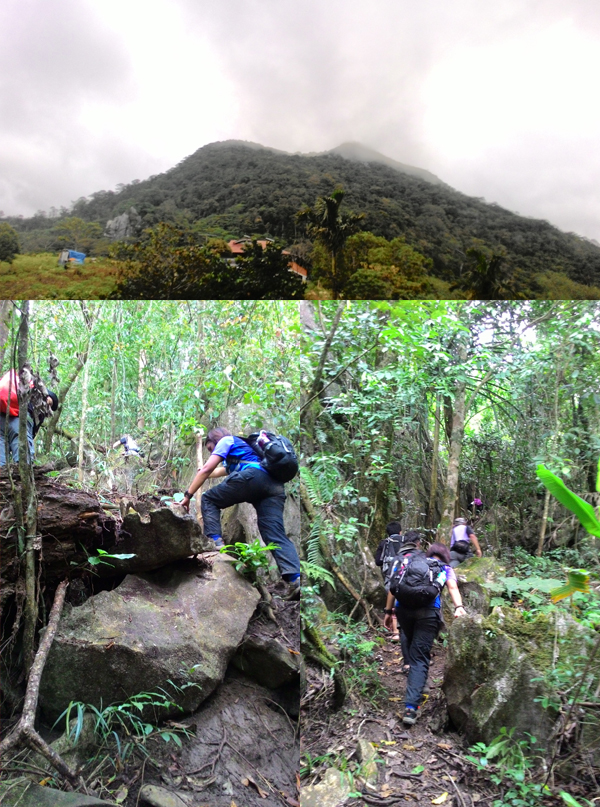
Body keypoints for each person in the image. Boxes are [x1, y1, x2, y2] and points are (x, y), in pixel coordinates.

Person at [181, 427, 301, 598]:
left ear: (217, 440)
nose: (212, 451)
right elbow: (212, 472)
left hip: (253, 477)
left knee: (209, 499)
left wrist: (187, 496)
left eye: (210, 448)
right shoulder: (244, 454)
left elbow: (208, 468)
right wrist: (202, 472)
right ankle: (295, 580)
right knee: (274, 534)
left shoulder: (227, 441)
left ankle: (215, 543)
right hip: (274, 487)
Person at [384, 541, 466, 726]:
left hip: (403, 611)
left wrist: (388, 613)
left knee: (411, 643)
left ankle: (417, 680)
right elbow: (452, 587)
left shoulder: (410, 562)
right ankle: (411, 708)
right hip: (427, 614)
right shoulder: (444, 568)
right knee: (420, 658)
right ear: (446, 556)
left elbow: (392, 586)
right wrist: (459, 607)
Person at [0, 370, 58, 466]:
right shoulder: (39, 398)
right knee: (23, 461)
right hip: (18, 420)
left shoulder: (19, 389)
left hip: (1, 417)